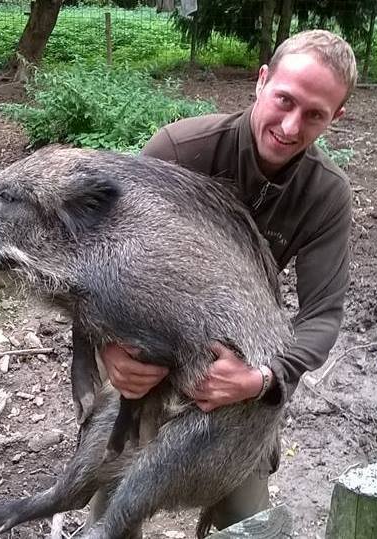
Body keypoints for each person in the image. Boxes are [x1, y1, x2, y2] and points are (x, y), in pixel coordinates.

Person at [94, 29, 357, 531]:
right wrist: (109, 350)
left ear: (336, 118)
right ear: (262, 81)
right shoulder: (180, 150)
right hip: (150, 352)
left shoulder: (326, 194)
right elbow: (96, 257)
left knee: (246, 517)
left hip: (241, 371)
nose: (290, 125)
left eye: (315, 114)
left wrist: (260, 380)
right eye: (285, 99)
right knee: (112, 508)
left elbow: (322, 314)